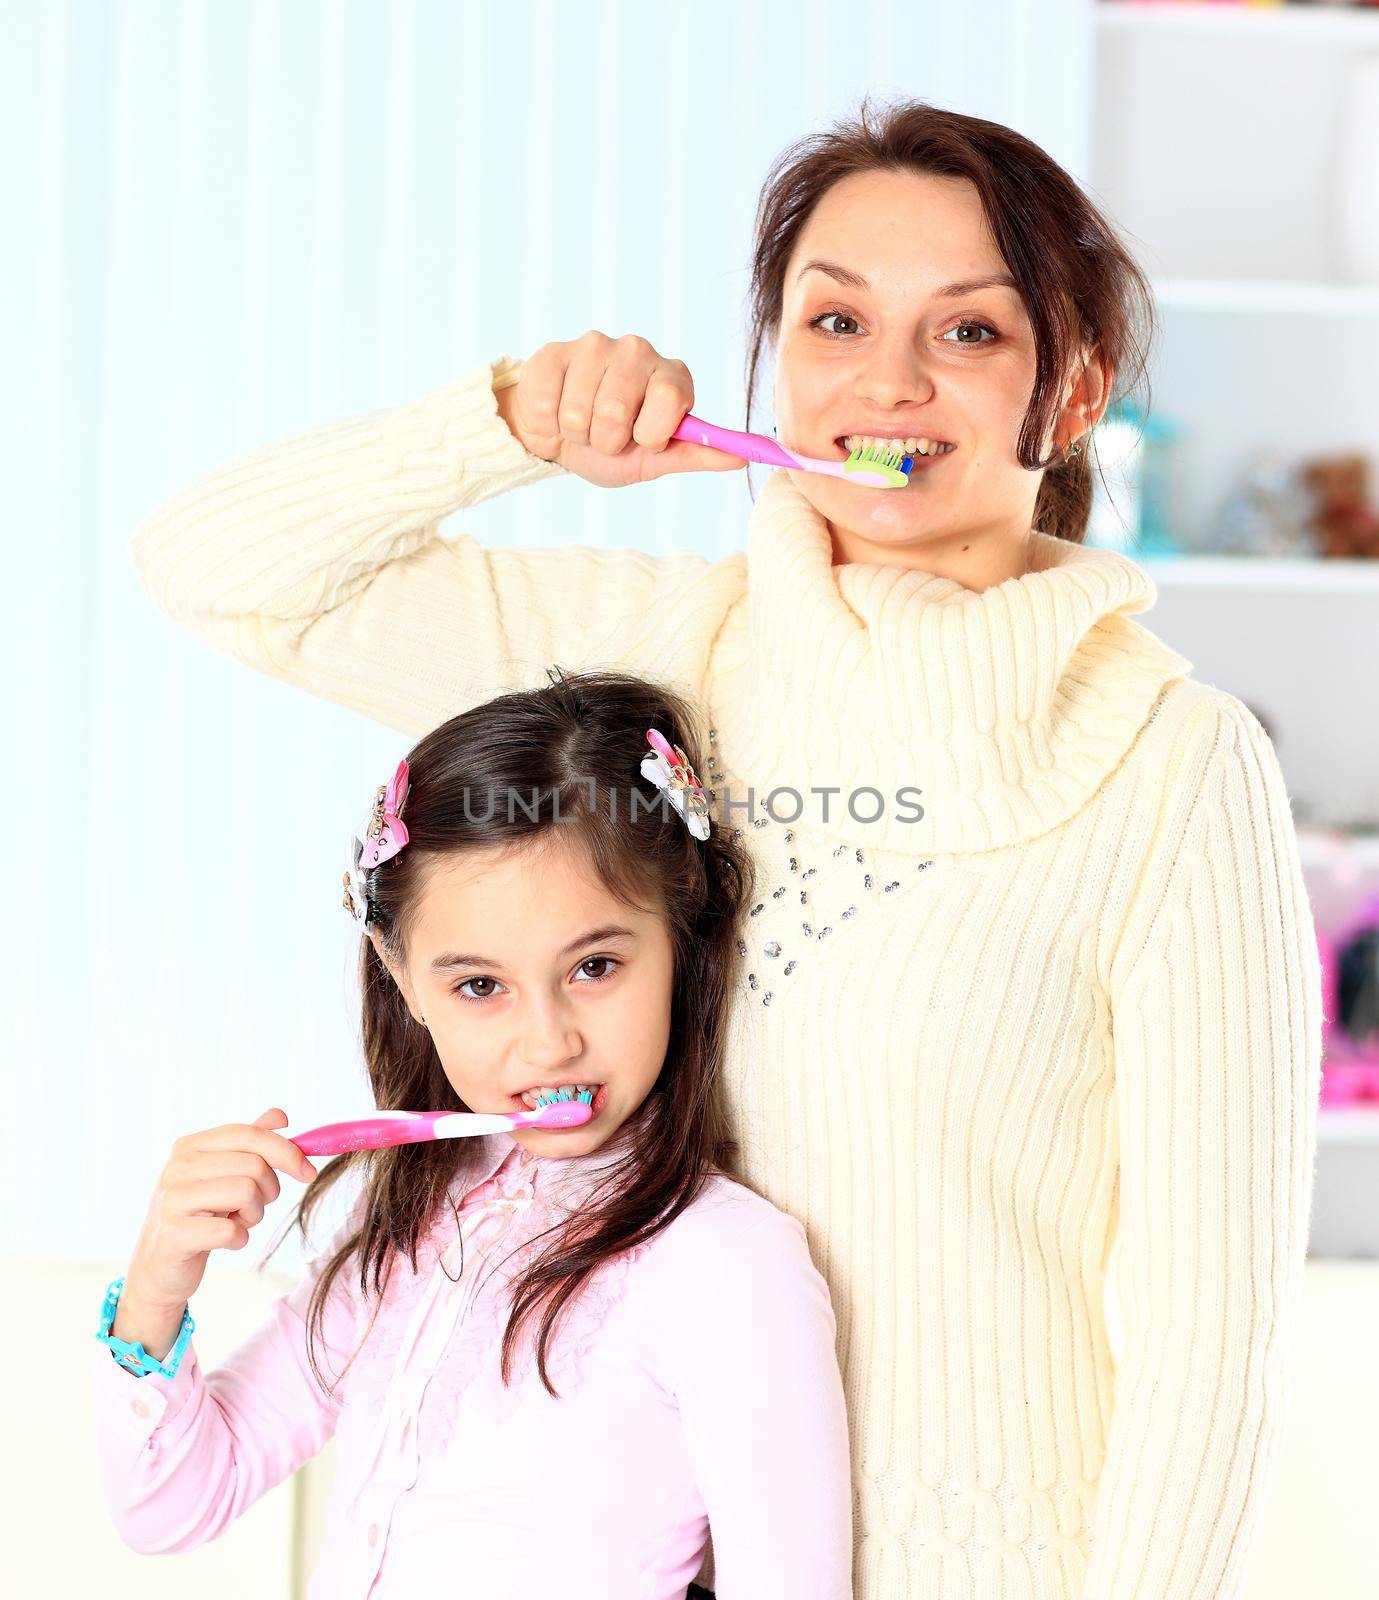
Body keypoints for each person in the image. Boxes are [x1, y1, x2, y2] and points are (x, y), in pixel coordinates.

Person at [124, 94, 1322, 1600]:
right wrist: (503, 425)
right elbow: (217, 571)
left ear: (1072, 392)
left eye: (966, 334)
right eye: (831, 323)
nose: (884, 381)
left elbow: (1208, 1335)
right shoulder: (658, 651)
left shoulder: (1172, 762)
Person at [92, 672, 853, 1599]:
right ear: (401, 976)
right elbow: (171, 1505)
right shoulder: (397, 1213)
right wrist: (160, 1277)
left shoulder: (728, 1263)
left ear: (682, 944)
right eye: (480, 986)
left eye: (596, 966)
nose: (548, 1040)